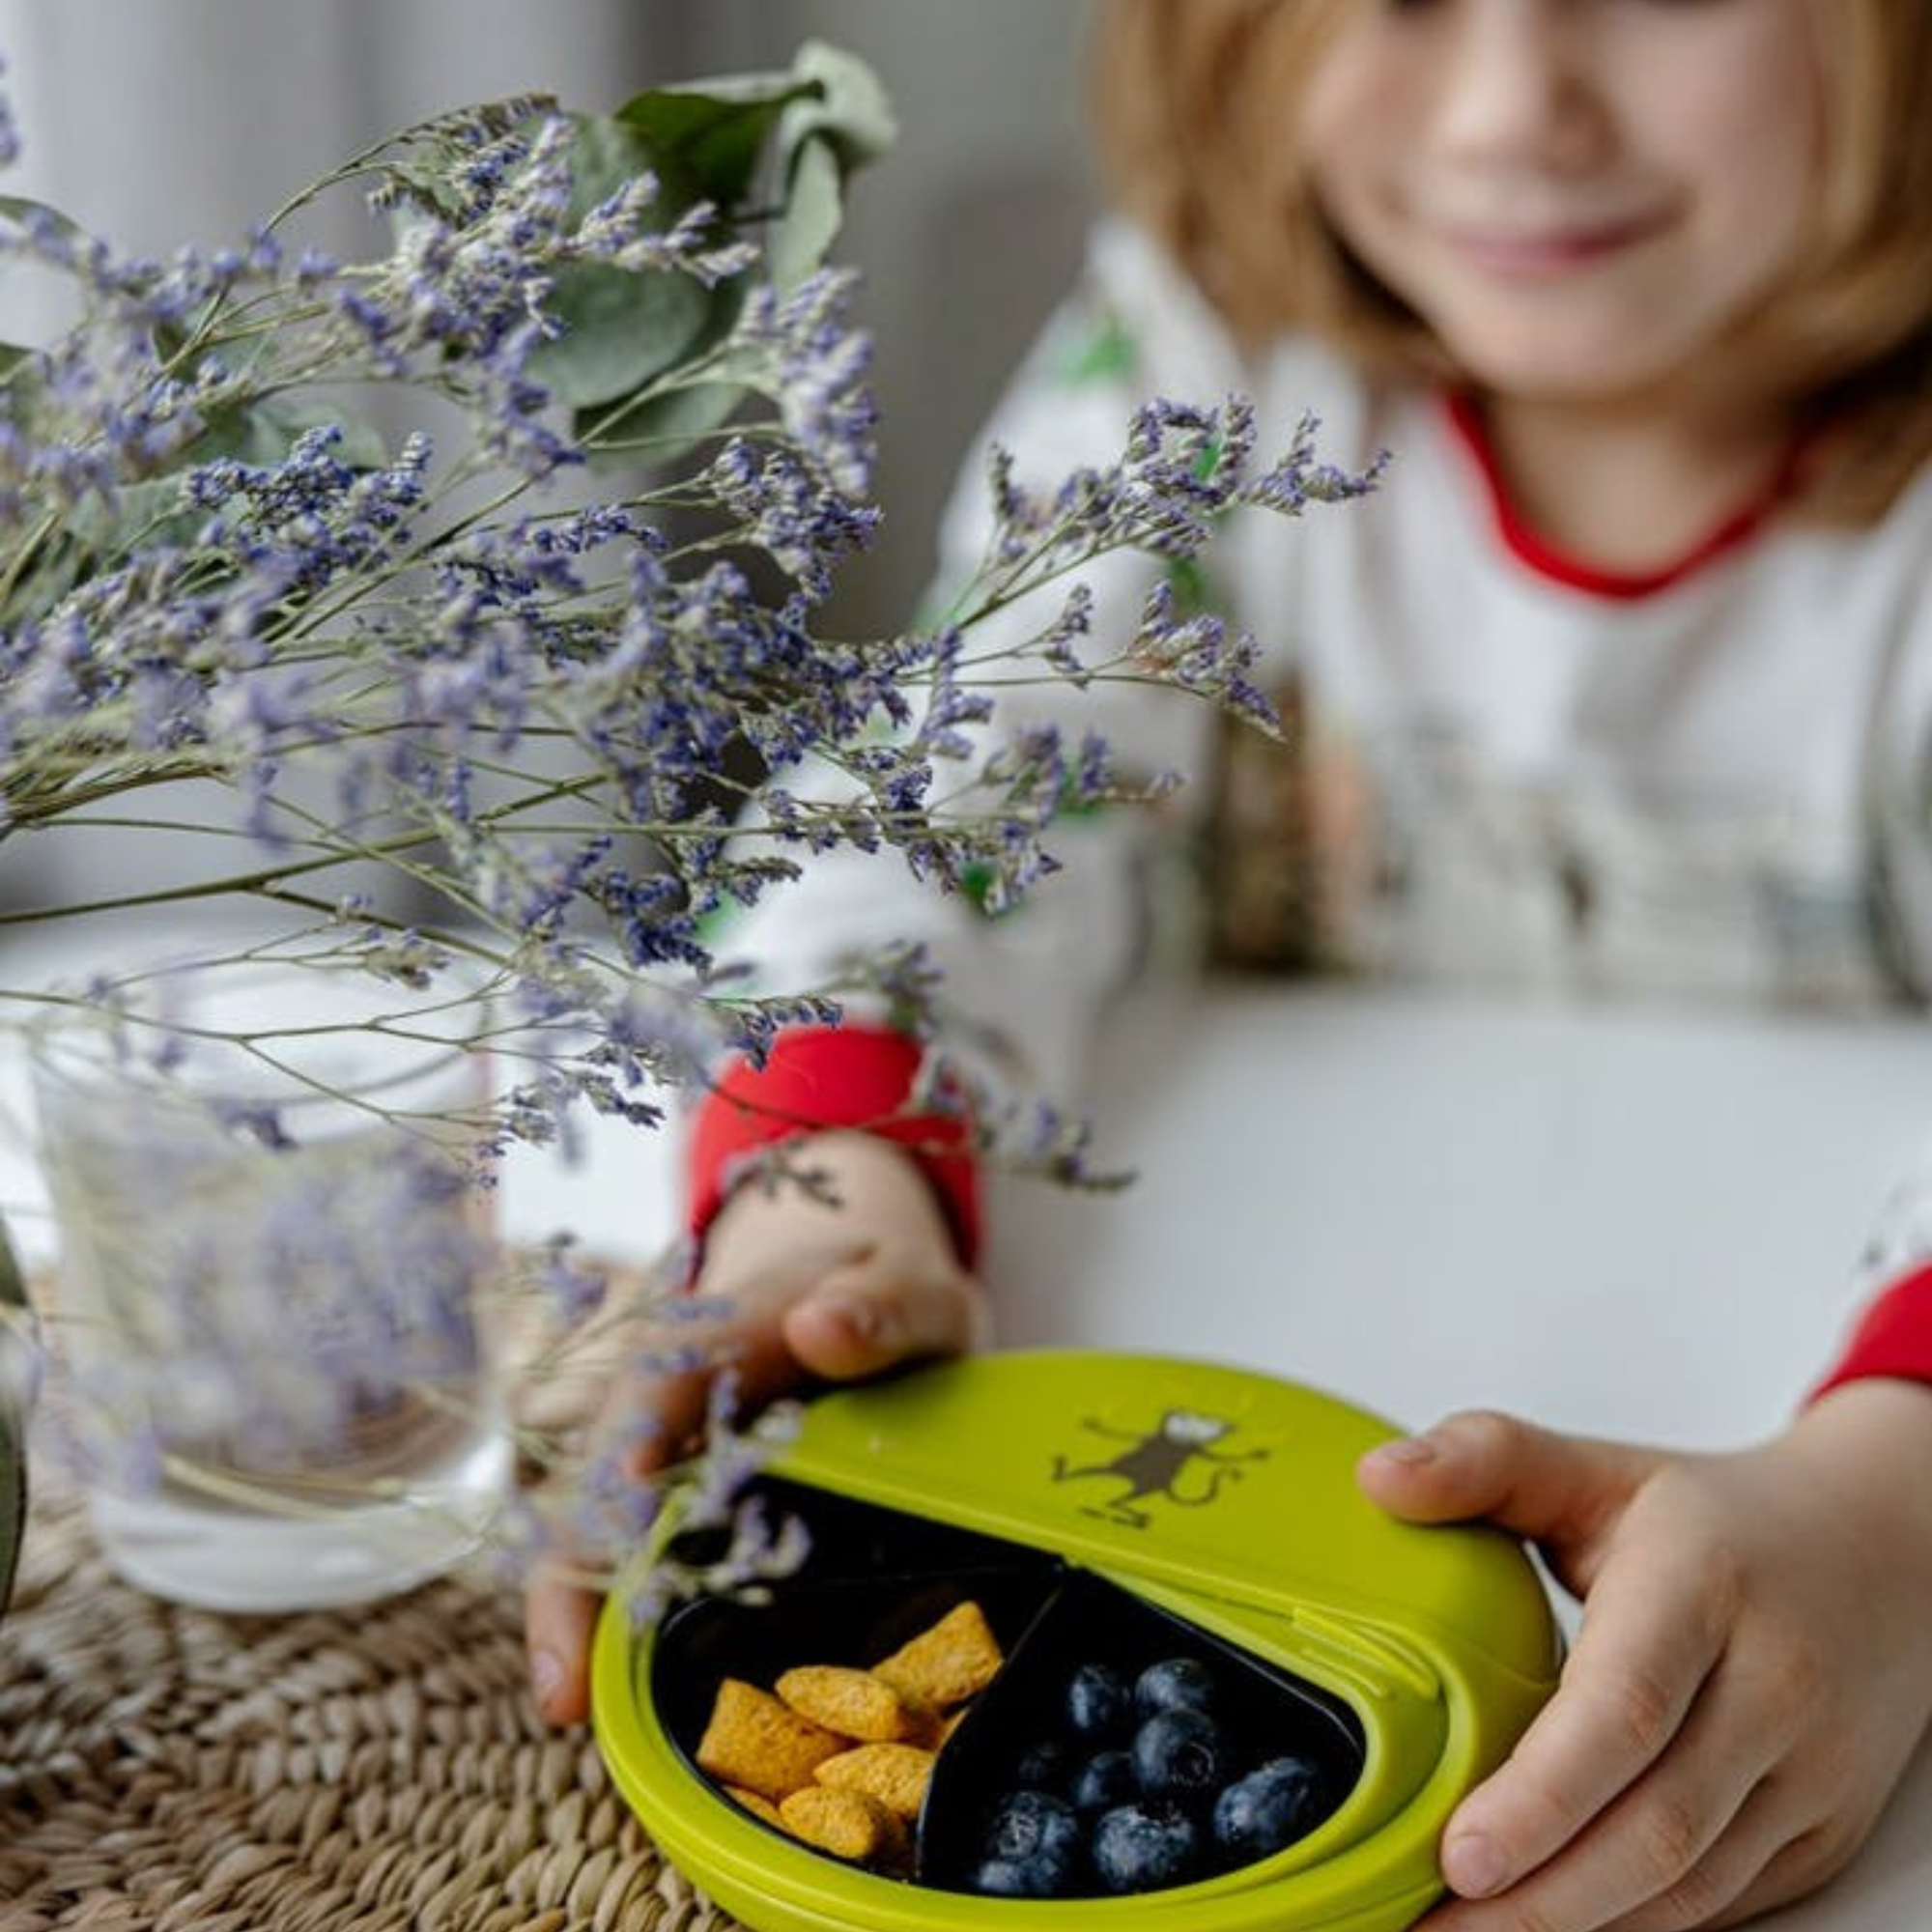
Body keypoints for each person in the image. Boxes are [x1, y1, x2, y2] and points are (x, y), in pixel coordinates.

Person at [526, 1, 1932, 1925]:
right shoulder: (1199, 365)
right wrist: (819, 1200)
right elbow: (946, 795)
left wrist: (1896, 1498)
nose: (1512, 113)